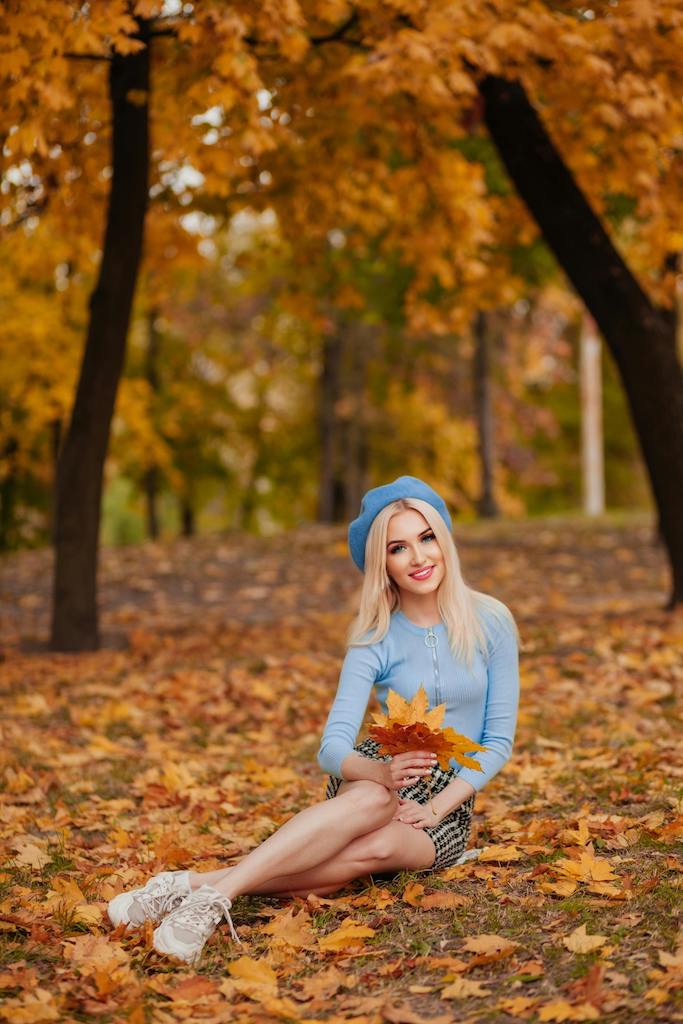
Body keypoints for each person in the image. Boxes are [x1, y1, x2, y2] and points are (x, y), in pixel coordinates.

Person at [107, 475, 520, 965]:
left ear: (443, 538)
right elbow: (331, 749)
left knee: (366, 854)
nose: (419, 557)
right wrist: (380, 774)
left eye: (426, 538)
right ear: (381, 563)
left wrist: (436, 808)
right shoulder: (375, 637)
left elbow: (497, 741)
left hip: (446, 799)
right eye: (398, 548)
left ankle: (192, 886)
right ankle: (212, 904)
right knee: (369, 801)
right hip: (379, 774)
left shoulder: (491, 620)